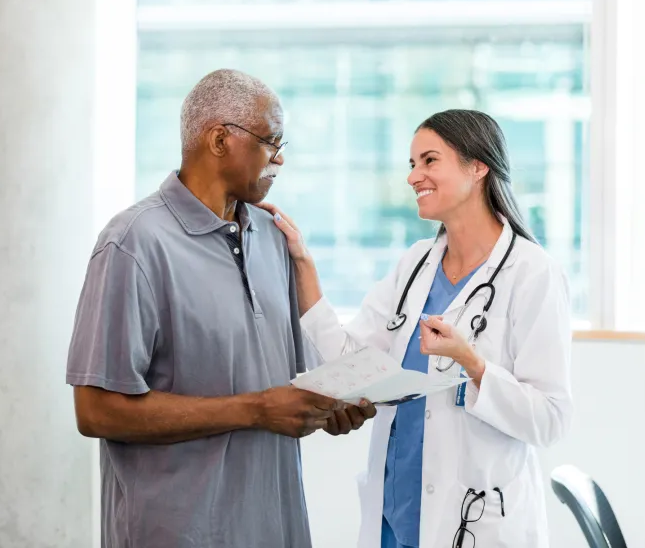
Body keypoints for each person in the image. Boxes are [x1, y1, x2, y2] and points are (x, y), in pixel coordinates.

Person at [66, 68, 376, 548]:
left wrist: (327, 407)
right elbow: (96, 411)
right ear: (218, 140)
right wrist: (255, 410)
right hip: (178, 532)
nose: (280, 159)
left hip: (275, 526)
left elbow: (288, 388)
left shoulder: (274, 240)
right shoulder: (132, 244)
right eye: (271, 142)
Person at [260, 109, 573, 548]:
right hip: (395, 515)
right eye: (412, 164)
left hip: (474, 521)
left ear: (478, 167)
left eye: (429, 161)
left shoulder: (532, 272)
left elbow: (550, 419)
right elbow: (354, 360)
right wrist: (303, 265)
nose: (413, 177)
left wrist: (472, 364)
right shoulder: (416, 262)